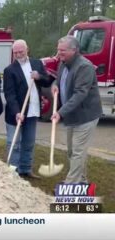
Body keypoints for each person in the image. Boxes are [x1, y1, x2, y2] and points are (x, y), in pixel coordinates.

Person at [51, 36, 102, 184]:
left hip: (86, 116)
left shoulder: (84, 66)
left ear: (74, 50)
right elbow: (59, 78)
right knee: (72, 151)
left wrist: (60, 113)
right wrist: (55, 84)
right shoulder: (63, 63)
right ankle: (82, 180)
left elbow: (80, 93)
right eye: (58, 50)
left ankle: (70, 185)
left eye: (62, 50)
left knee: (78, 152)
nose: (59, 53)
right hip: (71, 115)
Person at [3, 39, 52, 179]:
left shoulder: (37, 64)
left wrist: (39, 76)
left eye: (21, 51)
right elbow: (9, 94)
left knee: (29, 142)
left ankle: (26, 168)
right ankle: (13, 171)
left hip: (33, 110)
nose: (18, 54)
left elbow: (47, 81)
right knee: (14, 143)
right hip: (16, 113)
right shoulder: (9, 70)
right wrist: (17, 112)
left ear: (27, 50)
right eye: (16, 52)